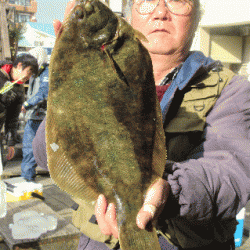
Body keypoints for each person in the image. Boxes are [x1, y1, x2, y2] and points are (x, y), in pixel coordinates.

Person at [33, 0, 250, 249]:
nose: (160, 12)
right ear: (129, 16)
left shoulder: (232, 89)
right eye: (146, 2)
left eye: (178, 2)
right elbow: (43, 153)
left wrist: (172, 191)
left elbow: (231, 170)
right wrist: (67, 69)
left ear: (197, 16)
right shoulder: (91, 69)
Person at [0, 53, 38, 161]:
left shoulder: (19, 89)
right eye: (29, 72)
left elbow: (13, 118)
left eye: (32, 75)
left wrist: (10, 143)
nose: (29, 77)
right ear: (20, 65)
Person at [20, 47, 49, 181]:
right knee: (28, 148)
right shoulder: (34, 73)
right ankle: (27, 177)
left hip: (41, 116)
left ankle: (27, 178)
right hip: (32, 115)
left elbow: (43, 93)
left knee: (33, 148)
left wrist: (26, 104)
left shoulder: (46, 72)